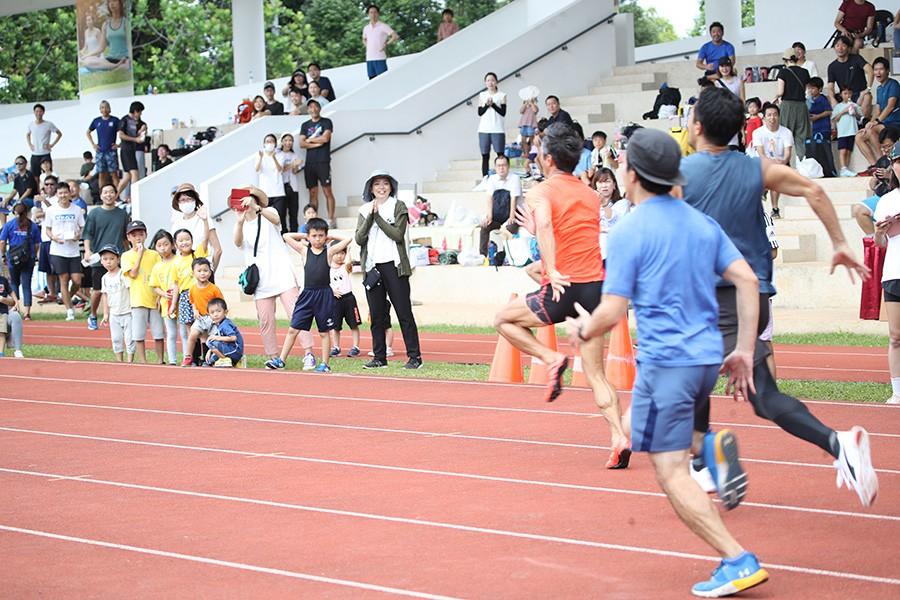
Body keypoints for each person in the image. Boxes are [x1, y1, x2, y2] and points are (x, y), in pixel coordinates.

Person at [567, 127, 767, 598]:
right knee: (635, 429)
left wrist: (584, 329)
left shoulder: (629, 229)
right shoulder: (701, 223)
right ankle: (709, 446)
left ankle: (737, 559)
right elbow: (747, 280)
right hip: (705, 358)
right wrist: (744, 349)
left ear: (632, 175)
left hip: (668, 364)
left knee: (669, 469)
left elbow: (613, 309)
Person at [682, 87, 878, 508]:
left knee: (718, 389)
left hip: (712, 300)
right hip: (752, 298)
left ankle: (836, 443)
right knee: (709, 383)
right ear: (740, 129)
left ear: (696, 127)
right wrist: (839, 243)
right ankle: (704, 460)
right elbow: (815, 191)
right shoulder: (757, 168)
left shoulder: (681, 174)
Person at [493, 123, 629, 468]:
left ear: (548, 159)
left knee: (503, 320)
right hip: (594, 289)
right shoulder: (589, 193)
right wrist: (540, 239)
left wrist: (551, 270)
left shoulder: (540, 191)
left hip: (562, 287)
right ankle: (619, 437)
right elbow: (569, 231)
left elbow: (548, 226)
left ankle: (550, 358)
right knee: (597, 374)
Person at [355, 170, 423, 370]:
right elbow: (359, 238)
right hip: (372, 267)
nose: (381, 187)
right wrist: (371, 216)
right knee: (377, 315)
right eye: (377, 184)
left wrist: (378, 218)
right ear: (370, 188)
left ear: (391, 186)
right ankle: (379, 357)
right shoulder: (364, 209)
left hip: (394, 265)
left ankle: (414, 357)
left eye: (385, 183)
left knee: (404, 312)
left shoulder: (398, 206)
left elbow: (397, 234)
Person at [268, 224, 350, 373]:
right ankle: (281, 360)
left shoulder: (329, 252)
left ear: (325, 236)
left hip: (323, 295)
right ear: (309, 236)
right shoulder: (304, 251)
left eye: (321, 236)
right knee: (293, 329)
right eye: (314, 236)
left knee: (324, 332)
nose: (317, 239)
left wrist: (331, 235)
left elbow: (348, 239)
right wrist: (304, 236)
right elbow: (286, 236)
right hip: (307, 295)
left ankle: (325, 364)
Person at [231, 186, 300, 363]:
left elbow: (277, 220)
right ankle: (273, 356)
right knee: (265, 320)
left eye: (249, 198)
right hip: (260, 279)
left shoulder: (269, 212)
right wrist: (239, 221)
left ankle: (308, 353)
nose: (246, 202)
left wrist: (256, 208)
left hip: (282, 273)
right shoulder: (241, 224)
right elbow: (237, 243)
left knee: (297, 314)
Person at [82, 183, 128, 331]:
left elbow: (126, 237)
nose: (108, 195)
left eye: (111, 192)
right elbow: (87, 234)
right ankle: (93, 315)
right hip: (99, 258)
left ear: (116, 194)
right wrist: (87, 251)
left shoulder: (122, 214)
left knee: (122, 288)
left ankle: (120, 316)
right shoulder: (94, 214)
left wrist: (128, 253)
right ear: (101, 195)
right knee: (97, 290)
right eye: (105, 192)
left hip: (118, 258)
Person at [875, 143, 900, 404]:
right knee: (896, 335)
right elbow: (880, 243)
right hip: (894, 271)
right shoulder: (887, 200)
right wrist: (879, 231)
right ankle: (897, 391)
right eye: (899, 162)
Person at [121, 220, 165, 364]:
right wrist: (139, 255)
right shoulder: (126, 256)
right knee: (139, 334)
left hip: (154, 298)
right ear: (129, 238)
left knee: (158, 333)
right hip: (138, 299)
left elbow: (160, 275)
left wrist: (160, 295)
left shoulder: (154, 255)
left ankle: (160, 360)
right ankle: (143, 361)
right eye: (134, 235)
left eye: (141, 234)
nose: (138, 238)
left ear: (146, 235)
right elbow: (133, 274)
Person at [43, 181, 85, 321]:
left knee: (77, 280)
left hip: (73, 250)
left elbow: (82, 227)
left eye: (65, 192)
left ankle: (66, 296)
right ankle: (69, 310)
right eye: (60, 193)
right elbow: (47, 229)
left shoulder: (77, 209)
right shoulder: (51, 210)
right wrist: (53, 237)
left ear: (69, 193)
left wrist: (78, 235)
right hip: (58, 250)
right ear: (57, 194)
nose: (63, 195)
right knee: (64, 280)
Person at [855, 58, 900, 168]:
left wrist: (877, 121)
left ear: (887, 71)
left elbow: (890, 106)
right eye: (875, 70)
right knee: (860, 136)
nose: (878, 72)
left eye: (881, 69)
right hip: (884, 123)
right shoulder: (879, 88)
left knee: (871, 131)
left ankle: (883, 162)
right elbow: (878, 110)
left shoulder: (893, 84)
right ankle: (874, 165)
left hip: (895, 123)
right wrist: (870, 123)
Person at [169, 183, 223, 276]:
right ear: (178, 203)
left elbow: (218, 250)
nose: (186, 202)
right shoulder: (176, 224)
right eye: (183, 200)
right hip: (183, 274)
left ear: (195, 200)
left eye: (189, 199)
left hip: (203, 273)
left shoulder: (204, 220)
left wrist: (210, 273)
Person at [299, 99, 337, 226]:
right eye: (311, 107)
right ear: (308, 110)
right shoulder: (305, 125)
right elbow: (301, 143)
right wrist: (316, 143)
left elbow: (325, 138)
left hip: (323, 161)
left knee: (327, 191)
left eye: (316, 106)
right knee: (313, 193)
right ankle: (313, 221)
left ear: (319, 108)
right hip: (310, 163)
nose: (313, 109)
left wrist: (309, 140)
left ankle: (330, 220)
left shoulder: (326, 122)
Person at [0, 202, 41, 320]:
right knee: (26, 284)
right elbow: (37, 244)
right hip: (28, 258)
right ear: (27, 212)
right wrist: (33, 255)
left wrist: (3, 255)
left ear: (14, 212)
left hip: (13, 258)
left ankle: (16, 308)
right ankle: (27, 312)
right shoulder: (33, 226)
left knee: (14, 283)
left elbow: (2, 242)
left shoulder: (9, 225)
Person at [753, 103, 794, 218]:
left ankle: (774, 208)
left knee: (775, 176)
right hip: (764, 163)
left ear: (779, 116)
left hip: (780, 163)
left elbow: (787, 153)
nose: (772, 118)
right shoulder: (758, 133)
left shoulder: (786, 132)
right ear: (764, 117)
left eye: (775, 115)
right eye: (769, 115)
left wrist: (782, 161)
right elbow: (761, 153)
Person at [181, 258, 224, 367]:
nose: (203, 273)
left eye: (205, 270)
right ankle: (188, 357)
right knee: (192, 335)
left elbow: (221, 303)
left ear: (210, 272)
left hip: (211, 318)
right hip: (200, 318)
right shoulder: (192, 289)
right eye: (199, 271)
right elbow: (193, 301)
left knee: (207, 339)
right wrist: (195, 310)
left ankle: (207, 360)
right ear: (193, 273)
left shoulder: (214, 289)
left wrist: (217, 316)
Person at [98, 244, 133, 362]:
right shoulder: (104, 278)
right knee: (116, 339)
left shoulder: (123, 274)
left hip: (127, 312)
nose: (108, 262)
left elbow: (130, 289)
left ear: (118, 259)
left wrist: (133, 307)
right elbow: (105, 295)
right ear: (101, 261)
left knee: (129, 338)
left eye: (112, 259)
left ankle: (130, 361)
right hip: (114, 313)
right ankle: (119, 361)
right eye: (105, 259)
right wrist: (106, 314)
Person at [480, 155, 522, 256]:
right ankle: (483, 255)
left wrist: (511, 217)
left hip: (512, 212)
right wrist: (489, 216)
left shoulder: (515, 178)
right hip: (497, 214)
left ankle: (507, 255)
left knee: (511, 228)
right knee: (485, 227)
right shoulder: (492, 179)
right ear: (495, 167)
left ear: (508, 166)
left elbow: (514, 199)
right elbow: (489, 198)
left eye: (504, 165)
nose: (501, 168)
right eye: (499, 166)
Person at [149, 230, 179, 365]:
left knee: (185, 333)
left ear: (172, 244)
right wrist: (163, 294)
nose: (163, 248)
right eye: (159, 245)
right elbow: (154, 286)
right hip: (166, 303)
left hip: (182, 302)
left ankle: (188, 358)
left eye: (166, 244)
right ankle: (172, 360)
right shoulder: (157, 267)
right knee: (171, 333)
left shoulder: (179, 260)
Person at [775, 48, 811, 159]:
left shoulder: (783, 72)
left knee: (785, 135)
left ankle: (784, 163)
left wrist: (775, 97)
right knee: (800, 137)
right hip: (801, 106)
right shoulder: (805, 72)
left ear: (786, 60)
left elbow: (781, 92)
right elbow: (807, 90)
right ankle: (802, 161)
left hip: (788, 106)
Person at [826, 35, 873, 116]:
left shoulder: (856, 59)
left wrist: (868, 89)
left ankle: (862, 121)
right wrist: (833, 99)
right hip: (844, 96)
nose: (840, 48)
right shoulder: (832, 66)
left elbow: (870, 70)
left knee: (867, 96)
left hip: (860, 94)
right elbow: (830, 87)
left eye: (843, 45)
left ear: (848, 48)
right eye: (837, 45)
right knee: (828, 98)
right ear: (834, 48)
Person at [329, 244, 362, 358]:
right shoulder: (328, 268)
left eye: (342, 253)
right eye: (337, 253)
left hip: (349, 299)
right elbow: (325, 283)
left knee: (354, 324)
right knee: (335, 326)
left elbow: (348, 262)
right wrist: (332, 291)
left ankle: (355, 347)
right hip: (335, 300)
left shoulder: (345, 267)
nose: (340, 256)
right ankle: (336, 347)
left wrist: (348, 250)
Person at [33, 177, 59, 305]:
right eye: (46, 184)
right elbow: (36, 216)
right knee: (48, 269)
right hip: (44, 238)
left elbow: (55, 212)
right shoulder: (42, 201)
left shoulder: (58, 198)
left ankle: (60, 293)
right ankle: (51, 293)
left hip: (55, 238)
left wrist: (45, 203)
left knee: (57, 269)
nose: (49, 186)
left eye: (51, 184)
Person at [477, 72, 507, 178]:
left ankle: (503, 176)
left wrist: (493, 105)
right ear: (485, 82)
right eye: (488, 80)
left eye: (492, 80)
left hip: (498, 129)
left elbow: (503, 112)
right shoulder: (482, 95)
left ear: (496, 81)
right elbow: (480, 112)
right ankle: (485, 178)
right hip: (484, 129)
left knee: (500, 155)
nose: (490, 82)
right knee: (485, 155)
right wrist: (486, 105)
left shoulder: (502, 95)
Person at [86, 100, 121, 191]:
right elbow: (88, 132)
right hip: (100, 152)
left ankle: (117, 194)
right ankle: (102, 194)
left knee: (114, 173)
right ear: (100, 109)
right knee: (101, 174)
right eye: (102, 107)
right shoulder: (96, 121)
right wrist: (93, 144)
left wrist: (119, 144)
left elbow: (122, 132)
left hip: (111, 151)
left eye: (106, 107)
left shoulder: (115, 120)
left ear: (109, 109)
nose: (104, 109)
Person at [255, 133, 287, 232]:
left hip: (278, 191)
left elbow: (280, 169)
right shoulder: (259, 154)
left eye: (272, 141)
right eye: (267, 142)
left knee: (281, 216)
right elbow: (257, 169)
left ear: (275, 143)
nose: (269, 144)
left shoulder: (280, 154)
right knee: (265, 217)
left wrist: (274, 157)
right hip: (265, 192)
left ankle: (282, 235)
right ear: (264, 144)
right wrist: (261, 157)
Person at [26, 104, 62, 185]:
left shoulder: (48, 124)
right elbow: (28, 134)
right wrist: (30, 144)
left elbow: (59, 134)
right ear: (34, 112)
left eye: (40, 111)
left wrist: (52, 144)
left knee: (48, 174)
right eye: (36, 111)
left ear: (43, 112)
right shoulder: (31, 124)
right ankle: (38, 191)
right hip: (35, 154)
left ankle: (51, 189)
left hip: (45, 153)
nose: (38, 113)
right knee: (35, 176)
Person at [117, 101, 147, 198]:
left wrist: (142, 130)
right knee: (135, 174)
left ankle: (115, 196)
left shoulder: (135, 122)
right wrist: (135, 139)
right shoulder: (125, 120)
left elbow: (138, 134)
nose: (140, 114)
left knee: (127, 176)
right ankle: (134, 197)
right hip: (126, 149)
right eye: (140, 112)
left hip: (131, 150)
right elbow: (121, 135)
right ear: (135, 111)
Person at [203, 298, 244, 367]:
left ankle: (225, 360)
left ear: (225, 312)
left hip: (235, 350)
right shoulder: (220, 324)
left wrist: (217, 338)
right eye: (212, 312)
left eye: (218, 311)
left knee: (209, 341)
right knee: (210, 360)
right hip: (230, 349)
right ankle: (233, 363)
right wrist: (210, 350)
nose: (215, 314)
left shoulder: (225, 324)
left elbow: (233, 338)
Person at [832, 86, 863, 177]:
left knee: (849, 151)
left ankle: (846, 169)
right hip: (843, 132)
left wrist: (855, 112)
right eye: (845, 93)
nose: (847, 95)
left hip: (852, 131)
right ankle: (843, 168)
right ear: (841, 95)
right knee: (843, 150)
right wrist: (844, 111)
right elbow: (835, 119)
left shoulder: (855, 105)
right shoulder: (838, 106)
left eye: (849, 93)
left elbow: (860, 117)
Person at [362, 4, 398, 79]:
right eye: (371, 12)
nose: (373, 14)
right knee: (372, 81)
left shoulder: (383, 26)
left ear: (378, 14)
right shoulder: (366, 28)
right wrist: (368, 46)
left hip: (380, 57)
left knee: (383, 80)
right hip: (369, 58)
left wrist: (386, 44)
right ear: (368, 14)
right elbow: (364, 39)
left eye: (375, 12)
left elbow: (395, 36)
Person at [278, 133, 303, 235]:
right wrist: (293, 164)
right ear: (282, 142)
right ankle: (283, 234)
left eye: (290, 140)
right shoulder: (278, 155)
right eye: (286, 140)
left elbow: (295, 171)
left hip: (293, 186)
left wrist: (295, 166)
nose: (288, 143)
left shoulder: (294, 155)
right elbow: (280, 169)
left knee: (293, 212)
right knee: (282, 213)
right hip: (280, 187)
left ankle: (294, 234)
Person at [1, 157, 35, 223]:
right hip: (21, 199)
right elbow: (14, 190)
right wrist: (7, 199)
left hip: (30, 199)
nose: (18, 165)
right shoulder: (17, 177)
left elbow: (28, 191)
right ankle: (4, 227)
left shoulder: (29, 175)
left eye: (20, 163)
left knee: (18, 207)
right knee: (2, 204)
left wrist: (19, 200)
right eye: (16, 163)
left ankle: (19, 225)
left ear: (25, 164)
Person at [0, 275, 25, 358]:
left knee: (15, 316)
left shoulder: (3, 280)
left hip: (3, 313)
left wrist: (15, 302)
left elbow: (11, 299)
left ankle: (17, 350)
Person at [518, 96, 539, 164]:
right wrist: (525, 103)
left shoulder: (534, 106)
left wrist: (531, 103)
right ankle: (526, 153)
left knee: (532, 140)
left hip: (531, 125)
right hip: (523, 125)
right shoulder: (525, 106)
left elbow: (535, 110)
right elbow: (521, 111)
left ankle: (532, 153)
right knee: (523, 140)